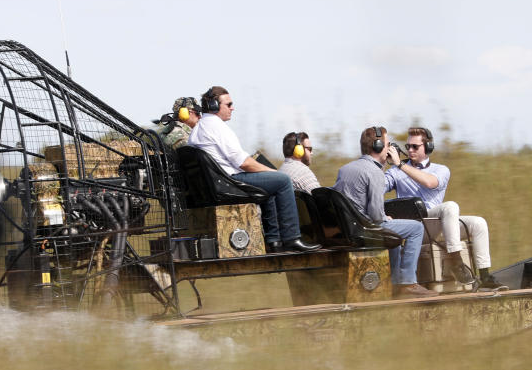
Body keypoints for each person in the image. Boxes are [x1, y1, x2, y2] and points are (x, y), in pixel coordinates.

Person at [188, 86, 320, 253]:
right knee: (282, 181)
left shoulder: (198, 129)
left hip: (218, 183)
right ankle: (292, 238)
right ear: (214, 106)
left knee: (270, 184)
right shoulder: (217, 127)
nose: (232, 108)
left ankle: (274, 242)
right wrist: (272, 172)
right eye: (229, 104)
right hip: (230, 182)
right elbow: (244, 163)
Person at [384, 126, 501, 289]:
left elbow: (429, 182)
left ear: (428, 147)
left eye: (415, 147)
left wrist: (401, 165)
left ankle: (485, 276)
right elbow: (378, 187)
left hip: (436, 222)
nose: (410, 150)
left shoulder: (441, 170)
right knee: (450, 207)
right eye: (408, 146)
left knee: (478, 223)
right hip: (415, 227)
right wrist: (382, 161)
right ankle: (456, 262)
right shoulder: (395, 172)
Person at [333, 126, 432, 297]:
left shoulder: (345, 169)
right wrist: (385, 217)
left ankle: (393, 283)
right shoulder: (376, 172)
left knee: (392, 230)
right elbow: (377, 217)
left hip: (349, 229)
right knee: (416, 228)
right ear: (378, 146)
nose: (389, 149)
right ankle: (408, 283)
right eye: (387, 145)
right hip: (366, 230)